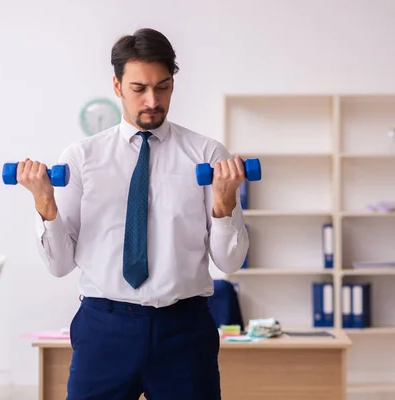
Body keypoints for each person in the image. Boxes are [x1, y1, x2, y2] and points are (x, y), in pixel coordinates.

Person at [17, 27, 249, 400]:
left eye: (163, 87)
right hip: (103, 329)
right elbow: (60, 266)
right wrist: (45, 204)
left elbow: (230, 262)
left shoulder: (207, 155)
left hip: (185, 330)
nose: (152, 100)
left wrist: (224, 203)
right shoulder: (81, 158)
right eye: (139, 88)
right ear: (117, 86)